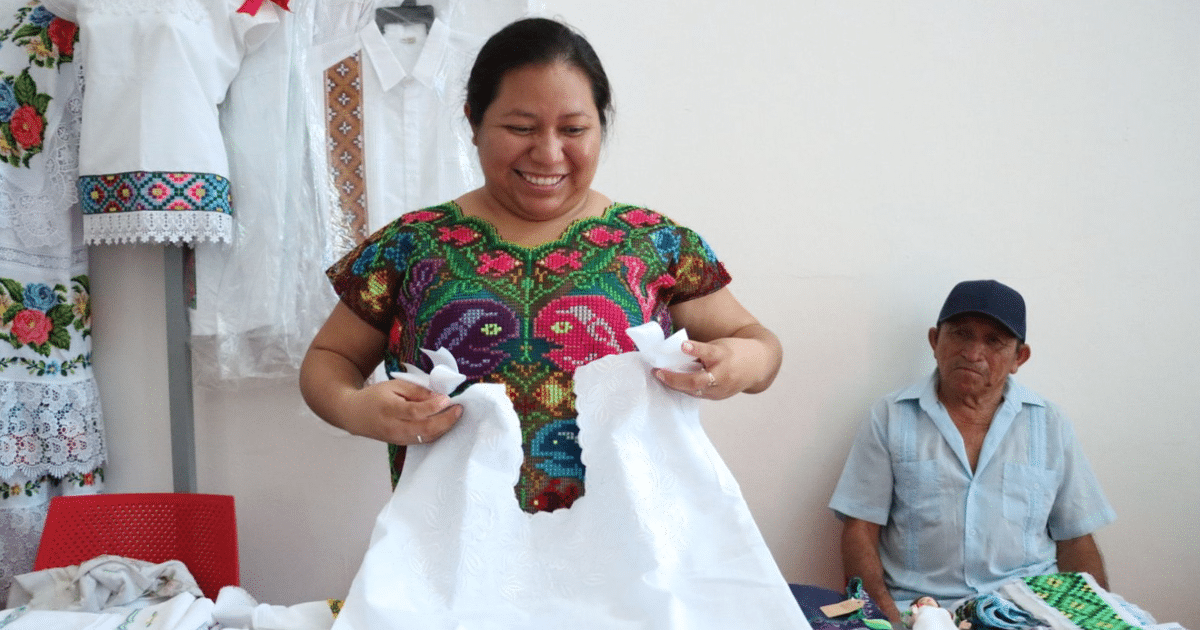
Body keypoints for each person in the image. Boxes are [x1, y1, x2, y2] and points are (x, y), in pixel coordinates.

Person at [299, 17, 782, 514]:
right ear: (473, 122)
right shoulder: (412, 244)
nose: (549, 153)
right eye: (520, 128)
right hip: (454, 544)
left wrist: (742, 363)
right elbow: (329, 358)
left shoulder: (654, 243)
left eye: (574, 129)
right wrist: (356, 409)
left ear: (601, 126)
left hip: (625, 544)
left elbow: (758, 344)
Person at [828, 279, 1116, 622]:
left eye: (994, 341)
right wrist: (887, 618)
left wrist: (1097, 619)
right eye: (962, 334)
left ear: (1018, 358)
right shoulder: (891, 416)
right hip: (922, 611)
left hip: (1030, 609)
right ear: (935, 341)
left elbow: (1076, 539)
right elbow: (860, 530)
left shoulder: (1049, 424)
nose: (973, 352)